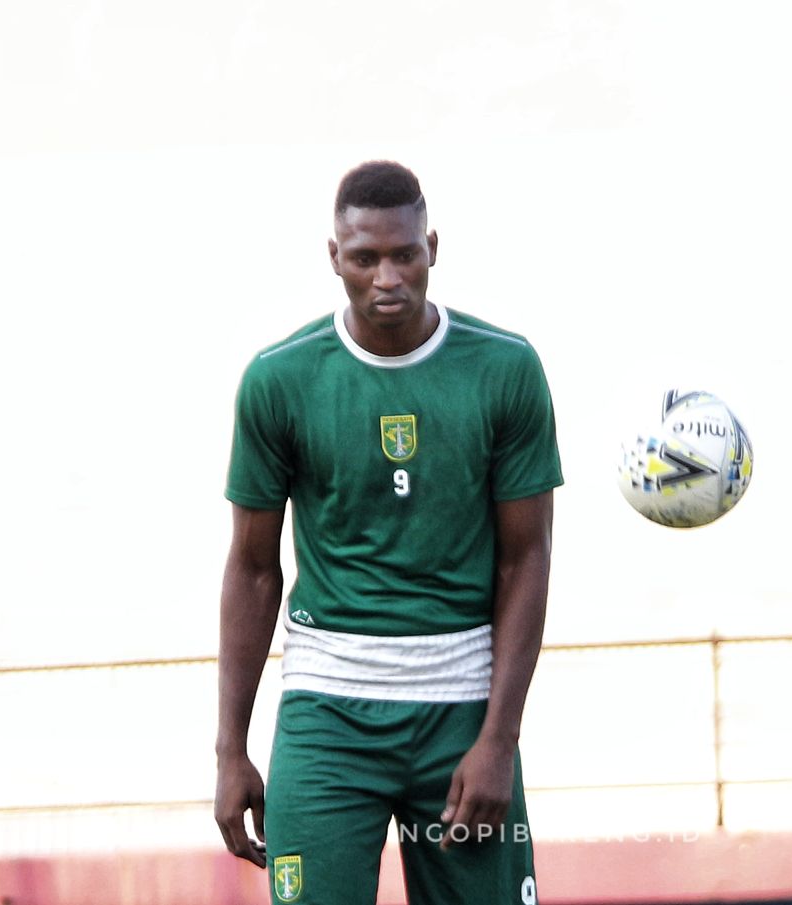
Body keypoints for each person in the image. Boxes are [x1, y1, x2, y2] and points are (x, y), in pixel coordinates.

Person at [214, 160, 562, 905]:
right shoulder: (279, 379)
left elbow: (526, 559)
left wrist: (500, 739)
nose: (387, 276)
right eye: (365, 257)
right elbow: (251, 568)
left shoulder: (506, 369)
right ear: (334, 258)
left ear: (433, 246)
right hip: (326, 714)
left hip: (461, 710)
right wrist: (229, 748)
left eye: (404, 253)